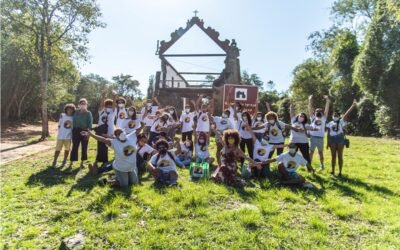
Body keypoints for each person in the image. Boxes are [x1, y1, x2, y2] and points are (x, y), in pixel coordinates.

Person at [326, 100, 358, 176]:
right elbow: (328, 133)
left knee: (340, 155)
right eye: (334, 115)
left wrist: (352, 106)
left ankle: (340, 172)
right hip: (332, 140)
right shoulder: (330, 123)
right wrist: (328, 142)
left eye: (336, 115)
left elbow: (346, 114)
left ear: (339, 116)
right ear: (332, 116)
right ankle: (333, 171)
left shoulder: (341, 121)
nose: (335, 116)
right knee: (333, 156)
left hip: (340, 139)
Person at [289, 103, 317, 173]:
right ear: (297, 116)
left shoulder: (306, 124)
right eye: (300, 116)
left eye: (303, 116)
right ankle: (290, 168)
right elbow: (292, 113)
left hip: (303, 142)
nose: (301, 117)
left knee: (306, 156)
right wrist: (291, 107)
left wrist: (315, 128)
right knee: (291, 155)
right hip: (294, 142)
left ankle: (309, 169)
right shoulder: (293, 121)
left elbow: (312, 128)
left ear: (305, 118)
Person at [308, 95, 330, 170]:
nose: (318, 112)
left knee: (320, 152)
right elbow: (310, 109)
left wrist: (327, 100)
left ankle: (322, 165)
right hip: (313, 138)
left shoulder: (324, 118)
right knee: (311, 152)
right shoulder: (313, 118)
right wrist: (310, 100)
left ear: (322, 113)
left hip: (320, 138)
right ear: (315, 112)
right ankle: (309, 165)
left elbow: (327, 109)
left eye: (320, 111)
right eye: (317, 111)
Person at [93, 98, 115, 169]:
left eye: (110, 106)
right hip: (101, 131)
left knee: (105, 146)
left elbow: (114, 105)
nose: (109, 107)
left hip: (109, 131)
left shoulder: (113, 112)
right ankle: (100, 160)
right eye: (107, 105)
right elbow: (101, 105)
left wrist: (114, 97)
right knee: (100, 145)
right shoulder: (102, 112)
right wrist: (103, 96)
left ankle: (103, 161)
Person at [70, 98, 93, 168]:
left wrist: (88, 133)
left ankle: (82, 163)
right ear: (79, 105)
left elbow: (90, 124)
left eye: (84, 104)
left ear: (86, 105)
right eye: (81, 104)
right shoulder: (75, 112)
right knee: (75, 147)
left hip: (84, 131)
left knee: (84, 147)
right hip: (75, 131)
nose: (83, 105)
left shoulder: (88, 113)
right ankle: (71, 163)